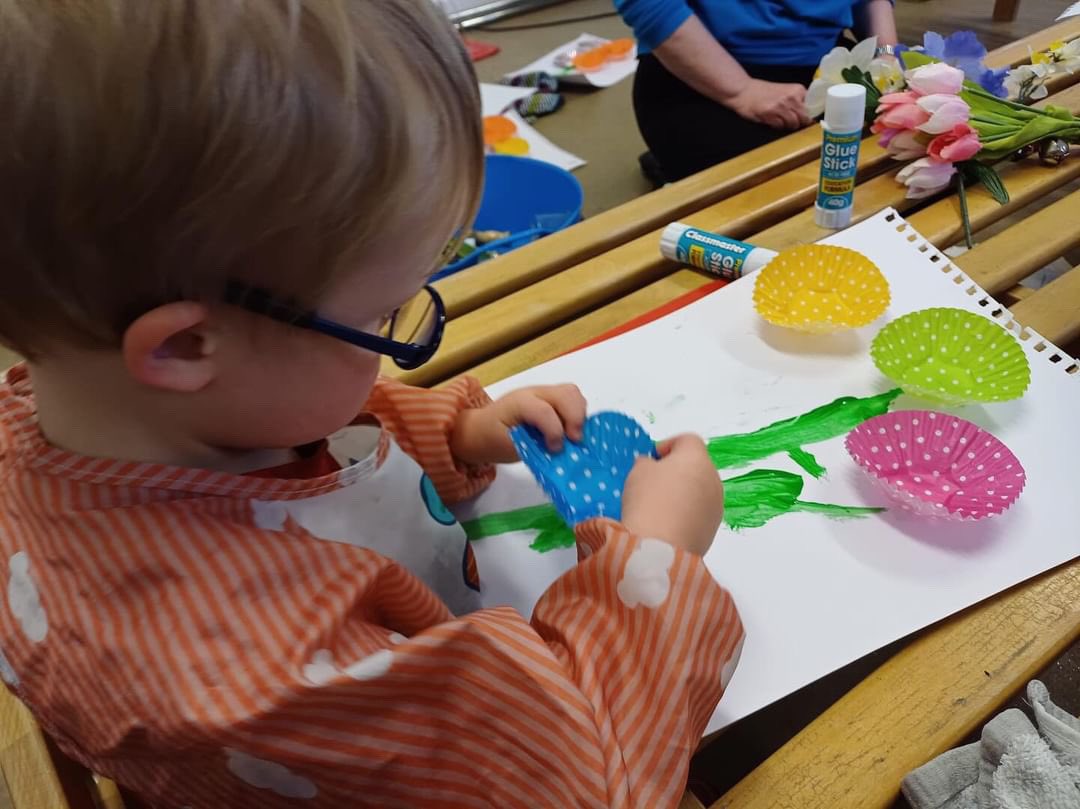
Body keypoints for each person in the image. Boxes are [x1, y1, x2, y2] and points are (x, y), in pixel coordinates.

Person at [0, 1, 744, 807]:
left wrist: (459, 432)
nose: (398, 334)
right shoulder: (261, 673)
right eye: (383, 318)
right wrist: (658, 557)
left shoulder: (133, 410)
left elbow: (320, 424)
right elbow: (588, 785)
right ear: (184, 348)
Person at [617, 0, 899, 182]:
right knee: (789, 196)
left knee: (898, 159)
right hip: (705, 71)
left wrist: (885, 54)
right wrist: (741, 91)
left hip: (825, 58)